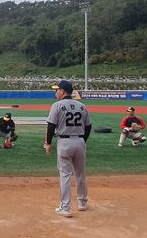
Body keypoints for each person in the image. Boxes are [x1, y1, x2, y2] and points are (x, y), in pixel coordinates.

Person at [45, 80, 92, 218]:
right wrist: (83, 140)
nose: (55, 92)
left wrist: (48, 143)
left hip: (64, 142)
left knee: (65, 175)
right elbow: (88, 126)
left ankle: (65, 208)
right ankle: (82, 203)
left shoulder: (57, 106)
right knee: (80, 174)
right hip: (80, 141)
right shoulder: (82, 106)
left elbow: (51, 126)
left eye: (57, 90)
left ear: (63, 91)